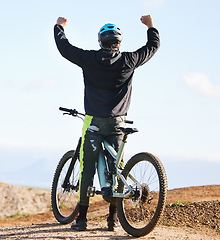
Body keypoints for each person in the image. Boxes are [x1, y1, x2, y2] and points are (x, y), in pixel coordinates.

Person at [53, 15, 160, 231]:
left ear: (100, 42)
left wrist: (59, 27)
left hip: (94, 123)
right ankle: (112, 220)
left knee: (87, 170)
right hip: (118, 123)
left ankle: (81, 220)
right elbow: (153, 46)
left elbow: (65, 48)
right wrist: (150, 26)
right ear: (119, 43)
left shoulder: (90, 59)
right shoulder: (129, 60)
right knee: (116, 168)